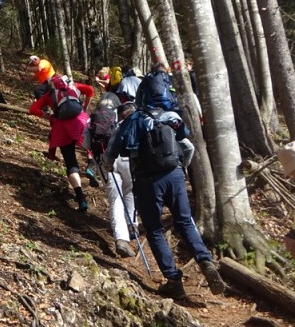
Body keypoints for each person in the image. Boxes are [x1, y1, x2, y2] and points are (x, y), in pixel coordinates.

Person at [102, 105, 225, 299]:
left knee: (154, 229)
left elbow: (112, 152)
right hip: (174, 175)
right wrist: (181, 167)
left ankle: (174, 280)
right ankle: (205, 261)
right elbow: (189, 147)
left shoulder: (131, 121)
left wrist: (107, 165)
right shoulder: (168, 116)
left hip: (148, 180)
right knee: (184, 222)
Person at [29, 75, 94, 212]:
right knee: (91, 145)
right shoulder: (74, 86)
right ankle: (91, 165)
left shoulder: (49, 94)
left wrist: (48, 116)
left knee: (70, 162)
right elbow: (90, 90)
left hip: (61, 127)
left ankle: (81, 197)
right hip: (80, 121)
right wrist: (85, 106)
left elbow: (33, 109)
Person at [83, 95, 137, 258]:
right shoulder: (123, 116)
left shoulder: (92, 119)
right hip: (126, 159)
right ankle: (132, 225)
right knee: (130, 191)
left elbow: (85, 144)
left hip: (104, 162)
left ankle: (121, 239)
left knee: (115, 199)